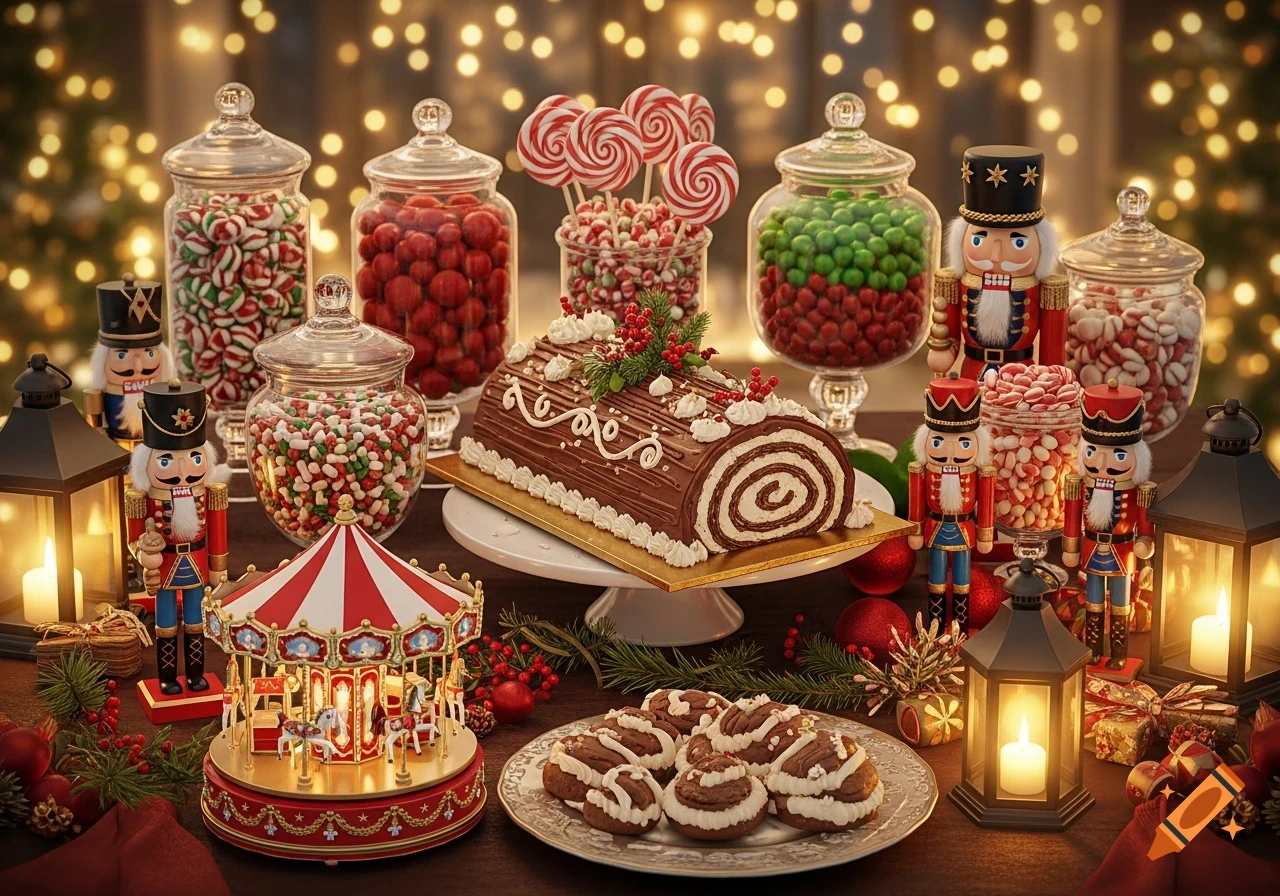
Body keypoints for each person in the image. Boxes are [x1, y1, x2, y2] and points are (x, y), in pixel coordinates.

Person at [927, 145, 1067, 379]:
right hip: (971, 373)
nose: (995, 257)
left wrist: (1049, 383)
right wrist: (944, 352)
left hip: (1022, 378)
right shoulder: (956, 281)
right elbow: (949, 336)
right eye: (980, 240)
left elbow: (1053, 353)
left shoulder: (1046, 288)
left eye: (1018, 243)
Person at [127, 379, 228, 695]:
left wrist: (218, 568)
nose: (183, 469)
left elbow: (219, 532)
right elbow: (133, 540)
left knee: (196, 623)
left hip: (196, 564)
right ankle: (168, 677)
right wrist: (146, 557)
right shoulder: (143, 499)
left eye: (195, 459)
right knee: (166, 624)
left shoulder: (209, 493)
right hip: (165, 568)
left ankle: (196, 675)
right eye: (167, 460)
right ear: (148, 463)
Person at [1063, 379, 1155, 669]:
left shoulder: (1135, 490)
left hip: (1123, 552)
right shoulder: (1081, 485)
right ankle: (1091, 650)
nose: (1102, 461)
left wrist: (1145, 541)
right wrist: (1071, 546)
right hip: (1092, 549)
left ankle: (1117, 655)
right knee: (1093, 604)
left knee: (1120, 605)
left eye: (1117, 455)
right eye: (1092, 453)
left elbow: (1143, 521)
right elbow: (1072, 515)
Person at [907, 373, 995, 630]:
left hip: (965, 530)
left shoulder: (981, 474)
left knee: (962, 582)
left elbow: (986, 503)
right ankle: (934, 630)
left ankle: (960, 628)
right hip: (935, 529)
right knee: (935, 581)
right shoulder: (922, 471)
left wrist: (986, 533)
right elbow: (916, 502)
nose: (951, 453)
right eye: (939, 442)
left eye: (963, 443)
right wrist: (915, 529)